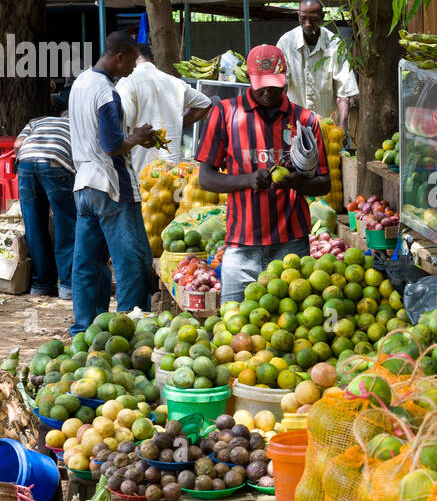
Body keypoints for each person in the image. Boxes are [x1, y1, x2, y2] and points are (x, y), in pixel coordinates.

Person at [196, 45, 331, 304]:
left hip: (291, 246)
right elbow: (206, 177)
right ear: (248, 78)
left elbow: (324, 183)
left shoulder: (305, 120)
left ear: (285, 79)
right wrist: (247, 180)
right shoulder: (224, 114)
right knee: (234, 325)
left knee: (293, 329)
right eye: (261, 85)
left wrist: (297, 184)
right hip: (241, 247)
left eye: (274, 84)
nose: (268, 92)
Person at [68, 31, 157, 335]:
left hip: (83, 185)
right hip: (111, 186)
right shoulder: (107, 92)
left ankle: (84, 328)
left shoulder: (80, 82)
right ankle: (128, 327)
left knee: (86, 264)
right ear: (120, 57)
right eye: (131, 61)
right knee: (130, 260)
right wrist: (139, 137)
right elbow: (111, 144)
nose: (133, 67)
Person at [117, 42, 212, 178]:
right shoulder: (174, 82)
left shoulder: (127, 83)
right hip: (172, 172)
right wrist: (177, 125)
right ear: (153, 60)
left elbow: (122, 127)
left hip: (140, 174)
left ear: (129, 60)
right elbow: (205, 103)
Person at [15, 97, 77, 298]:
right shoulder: (75, 122)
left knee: (34, 226)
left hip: (25, 162)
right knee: (66, 224)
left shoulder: (36, 121)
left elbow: (18, 144)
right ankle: (67, 285)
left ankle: (42, 285)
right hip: (56, 163)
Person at [276, 0, 358, 129]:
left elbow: (343, 93)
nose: (308, 24)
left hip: (327, 128)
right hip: (295, 125)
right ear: (298, 16)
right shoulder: (286, 43)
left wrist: (343, 124)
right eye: (303, 18)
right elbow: (281, 87)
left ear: (322, 17)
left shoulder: (335, 44)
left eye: (313, 19)